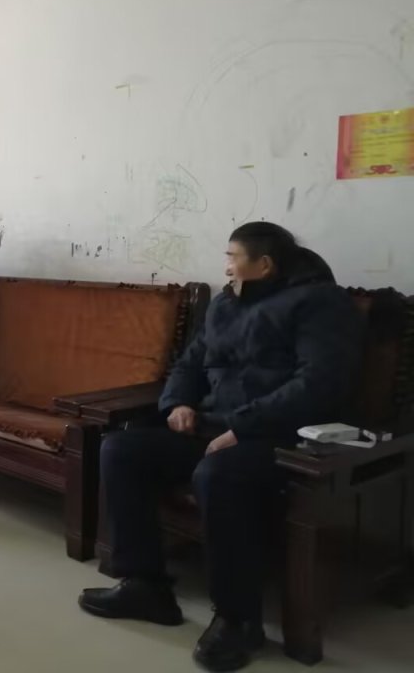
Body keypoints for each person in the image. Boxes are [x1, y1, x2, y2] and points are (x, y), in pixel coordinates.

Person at [78, 222, 361, 672]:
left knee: (218, 474)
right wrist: (177, 403)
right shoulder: (226, 304)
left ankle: (238, 619)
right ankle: (146, 586)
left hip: (279, 437)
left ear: (263, 264)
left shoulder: (320, 304)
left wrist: (245, 427)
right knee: (121, 450)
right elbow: (188, 364)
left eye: (232, 257)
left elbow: (318, 384)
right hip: (213, 428)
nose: (225, 266)